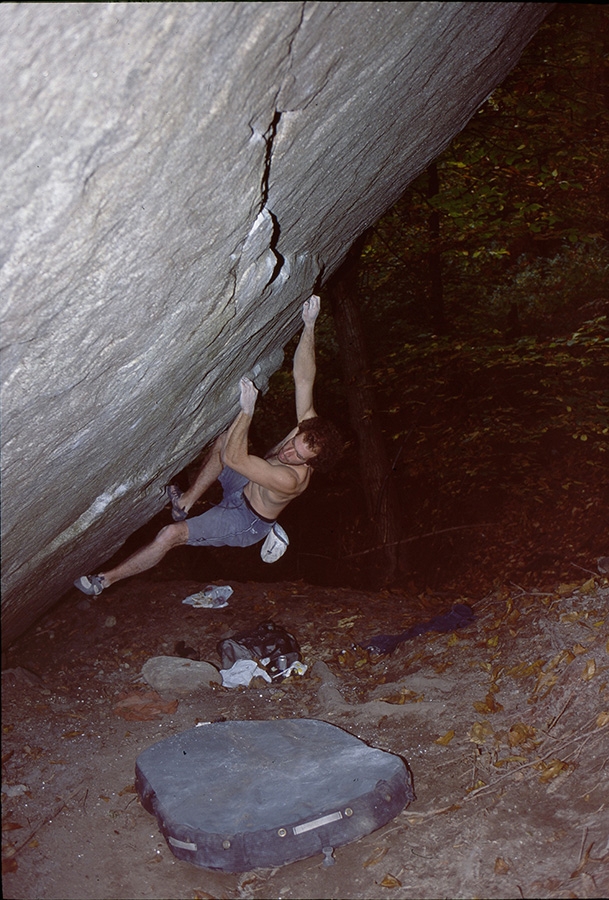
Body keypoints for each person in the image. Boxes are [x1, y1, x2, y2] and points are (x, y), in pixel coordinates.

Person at [74, 295, 343, 596]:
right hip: (245, 485)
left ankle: (103, 581)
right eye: (295, 442)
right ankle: (185, 503)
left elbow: (236, 459)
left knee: (171, 534)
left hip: (245, 519)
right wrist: (309, 325)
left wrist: (247, 411)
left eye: (297, 456)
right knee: (224, 440)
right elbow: (304, 379)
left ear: (309, 464)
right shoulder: (308, 430)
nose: (288, 451)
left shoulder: (289, 479)